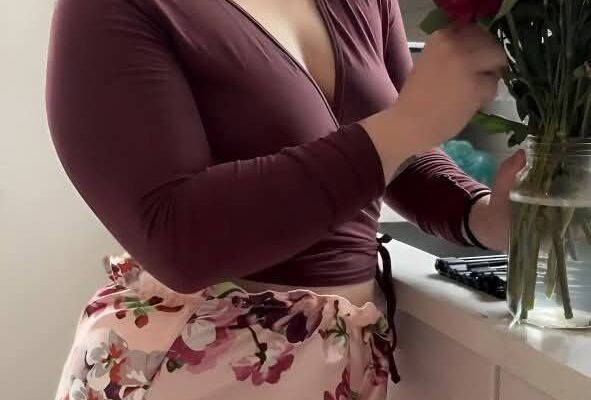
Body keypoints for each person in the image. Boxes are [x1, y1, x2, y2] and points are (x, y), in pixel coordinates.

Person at [47, 0, 521, 399]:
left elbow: (401, 150)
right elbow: (174, 238)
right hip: (189, 374)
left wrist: (483, 214)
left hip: (336, 374)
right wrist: (407, 123)